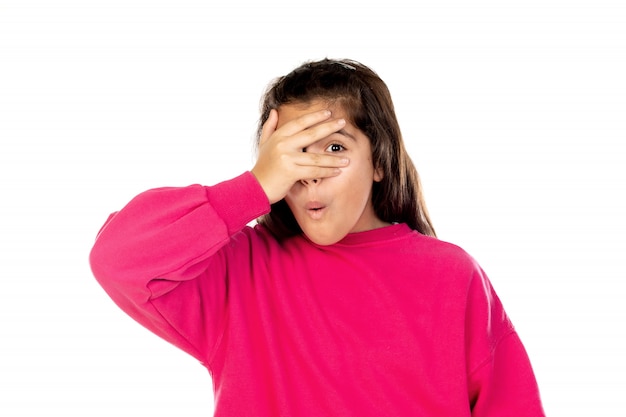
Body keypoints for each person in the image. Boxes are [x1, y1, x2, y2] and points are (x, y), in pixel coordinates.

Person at [89, 58, 545, 416]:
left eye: (334, 148)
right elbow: (117, 257)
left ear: (380, 160)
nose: (308, 174)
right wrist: (253, 188)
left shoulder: (452, 274)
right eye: (292, 154)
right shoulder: (237, 272)